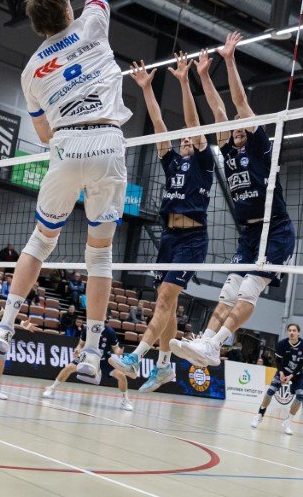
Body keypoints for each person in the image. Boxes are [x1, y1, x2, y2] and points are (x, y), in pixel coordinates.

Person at [0, 0, 132, 383]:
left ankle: (4, 327)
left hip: (67, 145)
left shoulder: (30, 72)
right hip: (108, 141)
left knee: (42, 241)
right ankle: (90, 353)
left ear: (37, 25)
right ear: (69, 10)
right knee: (99, 254)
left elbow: (44, 136)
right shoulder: (93, 24)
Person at [170, 32, 296, 369]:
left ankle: (215, 344)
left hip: (275, 230)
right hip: (249, 233)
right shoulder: (227, 150)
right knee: (227, 293)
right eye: (235, 126)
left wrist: (228, 61)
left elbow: (239, 105)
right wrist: (203, 75)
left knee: (248, 291)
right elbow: (218, 110)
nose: (238, 127)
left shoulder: (260, 148)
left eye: (243, 125)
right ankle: (205, 342)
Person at [110, 52, 213, 393]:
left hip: (192, 239)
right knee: (165, 305)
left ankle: (135, 357)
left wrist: (184, 82)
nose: (185, 139)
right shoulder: (172, 163)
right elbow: (158, 125)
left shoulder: (203, 164)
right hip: (169, 238)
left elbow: (194, 124)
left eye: (189, 138)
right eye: (181, 138)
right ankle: (165, 366)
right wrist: (146, 89)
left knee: (166, 298)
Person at [42, 319, 133, 411]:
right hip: (88, 356)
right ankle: (52, 389)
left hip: (103, 360)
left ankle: (125, 400)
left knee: (121, 375)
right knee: (69, 368)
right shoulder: (87, 328)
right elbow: (80, 344)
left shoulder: (110, 332)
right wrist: (77, 350)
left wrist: (119, 352)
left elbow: (115, 348)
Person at [251, 323, 303, 435]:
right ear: (287, 332)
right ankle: (259, 415)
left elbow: (301, 364)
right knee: (270, 392)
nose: (292, 332)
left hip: (297, 374)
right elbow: (278, 361)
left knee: (300, 396)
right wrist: (282, 373)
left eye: (294, 330)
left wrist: (291, 376)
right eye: (290, 330)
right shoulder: (281, 344)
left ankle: (288, 422)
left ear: (298, 333)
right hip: (282, 372)